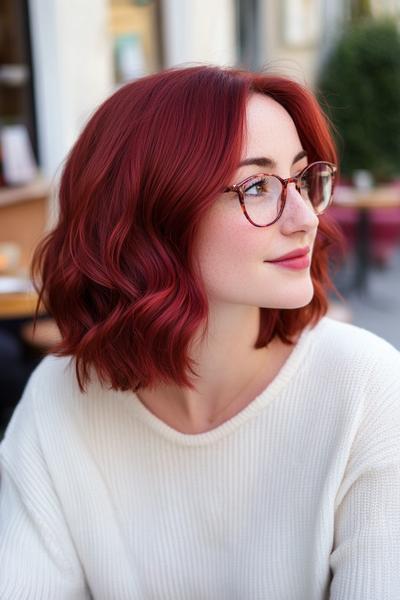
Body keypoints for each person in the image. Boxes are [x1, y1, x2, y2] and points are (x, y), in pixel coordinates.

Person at [0, 65, 399, 600]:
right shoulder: (58, 402)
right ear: (150, 216)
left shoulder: (365, 388)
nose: (305, 216)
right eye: (257, 186)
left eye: (303, 178)